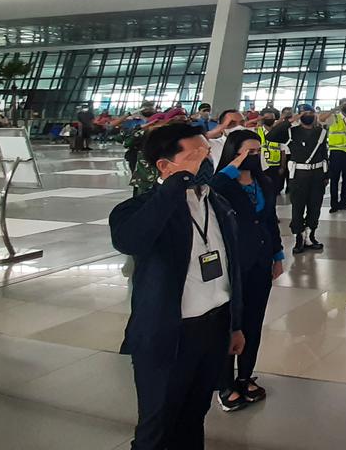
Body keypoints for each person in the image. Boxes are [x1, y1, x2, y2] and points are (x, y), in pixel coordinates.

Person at [108, 124, 245, 450]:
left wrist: (235, 326)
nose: (205, 161)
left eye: (207, 153)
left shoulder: (217, 204)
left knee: (194, 414)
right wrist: (172, 188)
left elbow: (231, 270)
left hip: (213, 328)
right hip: (167, 335)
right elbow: (130, 240)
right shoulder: (138, 209)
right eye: (195, 155)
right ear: (165, 165)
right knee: (157, 426)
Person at [211, 130, 284, 413]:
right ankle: (224, 382)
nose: (254, 157)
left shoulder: (263, 182)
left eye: (257, 152)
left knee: (253, 320)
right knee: (232, 322)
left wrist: (277, 256)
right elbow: (214, 182)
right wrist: (234, 163)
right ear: (234, 152)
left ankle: (245, 375)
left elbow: (270, 221)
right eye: (248, 152)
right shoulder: (223, 184)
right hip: (233, 261)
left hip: (260, 260)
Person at [266, 103, 330, 254]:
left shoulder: (320, 132)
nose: (307, 115)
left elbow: (324, 154)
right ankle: (299, 237)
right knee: (298, 207)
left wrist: (327, 174)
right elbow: (271, 136)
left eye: (309, 112)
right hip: (299, 175)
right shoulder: (291, 132)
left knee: (315, 206)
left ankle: (310, 235)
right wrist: (289, 120)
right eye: (303, 113)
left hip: (317, 174)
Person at [255, 108, 285, 208]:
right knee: (261, 191)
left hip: (275, 166)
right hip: (261, 166)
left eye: (272, 118)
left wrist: (282, 166)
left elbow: (283, 150)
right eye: (267, 117)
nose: (270, 119)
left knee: (274, 192)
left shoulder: (279, 132)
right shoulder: (257, 131)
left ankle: (272, 213)